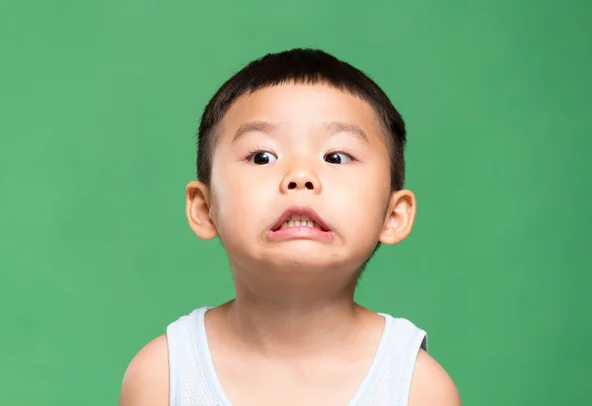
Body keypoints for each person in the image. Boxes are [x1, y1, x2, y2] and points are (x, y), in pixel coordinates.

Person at [119, 48, 461, 406]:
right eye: (262, 156)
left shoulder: (416, 388)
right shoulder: (165, 375)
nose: (300, 177)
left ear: (394, 216)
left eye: (336, 157)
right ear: (205, 209)